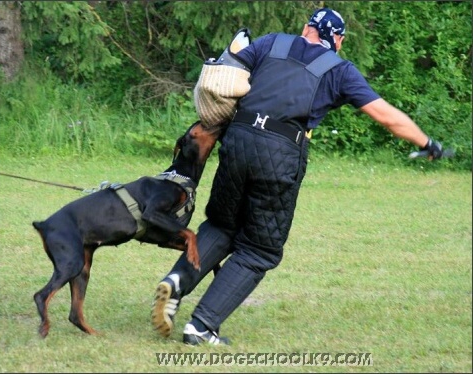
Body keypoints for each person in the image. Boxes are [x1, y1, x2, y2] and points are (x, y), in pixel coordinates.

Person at [150, 7, 444, 345]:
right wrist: (427, 142)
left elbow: (225, 76)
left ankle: (176, 280)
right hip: (279, 154)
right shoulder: (340, 70)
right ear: (339, 41)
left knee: (221, 225)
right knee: (260, 249)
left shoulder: (271, 42)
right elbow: (385, 115)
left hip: (238, 139)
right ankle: (201, 326)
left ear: (307, 29)